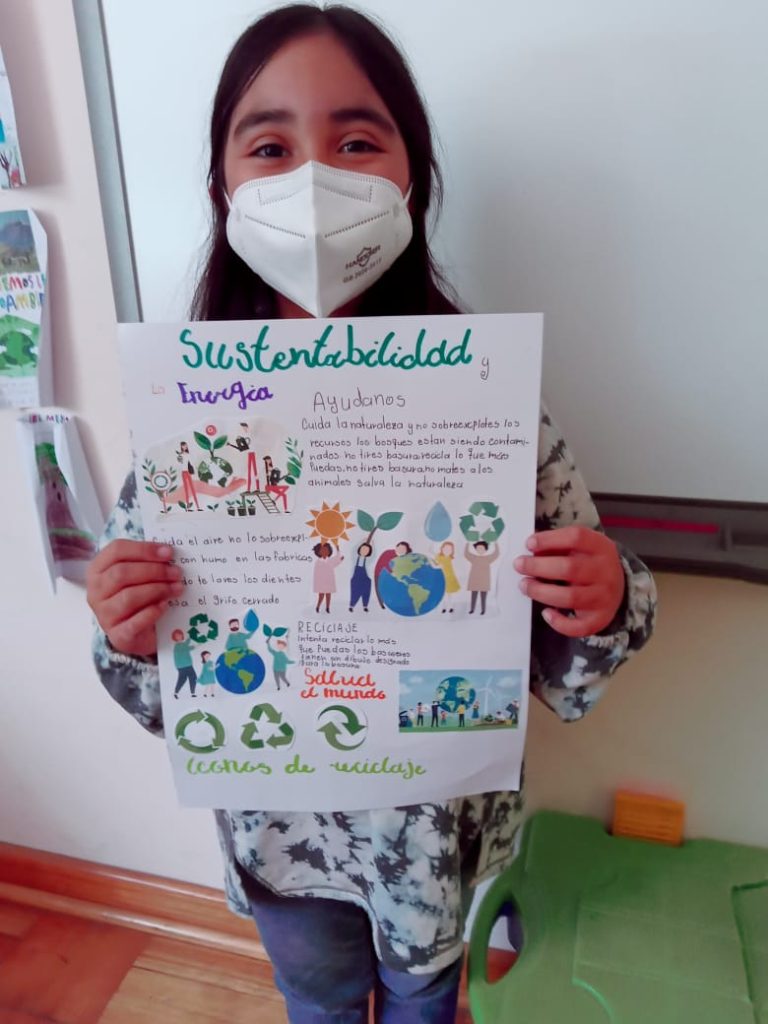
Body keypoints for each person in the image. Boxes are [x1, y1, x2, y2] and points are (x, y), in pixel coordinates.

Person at [86, 7, 656, 1022]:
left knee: (424, 999)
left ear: (411, 179)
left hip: (435, 832)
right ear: (222, 189)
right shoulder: (192, 415)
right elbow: (159, 682)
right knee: (316, 1001)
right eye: (270, 147)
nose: (313, 180)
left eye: (356, 141)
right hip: (280, 837)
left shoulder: (489, 403)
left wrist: (601, 595)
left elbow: (572, 642)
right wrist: (127, 622)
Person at [465, 540, 500, 615]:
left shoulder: (488, 558)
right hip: (474, 580)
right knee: (473, 596)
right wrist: (467, 543)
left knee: (483, 597)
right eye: (478, 548)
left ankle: (483, 610)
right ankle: (472, 609)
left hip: (484, 581)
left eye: (482, 548)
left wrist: (496, 543)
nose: (480, 550)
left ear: (485, 549)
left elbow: (496, 554)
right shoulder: (474, 558)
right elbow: (466, 554)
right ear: (476, 549)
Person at [312, 541, 344, 613]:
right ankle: (318, 606)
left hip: (329, 581)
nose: (324, 552)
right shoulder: (318, 562)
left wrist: (338, 550)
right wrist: (318, 584)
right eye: (322, 550)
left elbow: (336, 561)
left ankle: (327, 608)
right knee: (321, 595)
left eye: (326, 550)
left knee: (328, 595)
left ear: (329, 551)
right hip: (321, 582)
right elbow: (316, 575)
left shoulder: (330, 560)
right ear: (318, 552)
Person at [433, 540, 460, 613]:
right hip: (442, 578)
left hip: (450, 578)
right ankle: (443, 607)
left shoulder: (451, 558)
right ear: (442, 548)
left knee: (450, 594)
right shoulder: (439, 557)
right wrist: (438, 566)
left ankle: (450, 607)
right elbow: (435, 565)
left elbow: (455, 567)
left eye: (450, 549)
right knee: (443, 594)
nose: (447, 550)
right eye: (445, 548)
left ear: (452, 551)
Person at [171, 628, 197, 698]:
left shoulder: (182, 644)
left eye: (180, 635)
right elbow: (186, 647)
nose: (179, 636)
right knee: (185, 679)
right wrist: (195, 646)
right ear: (175, 638)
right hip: (184, 666)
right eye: (177, 636)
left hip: (186, 665)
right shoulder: (177, 646)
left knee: (190, 678)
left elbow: (186, 643)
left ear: (182, 635)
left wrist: (191, 636)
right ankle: (176, 692)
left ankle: (192, 693)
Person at [348, 541, 373, 612]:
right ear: (359, 549)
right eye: (363, 549)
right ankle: (351, 606)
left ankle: (365, 606)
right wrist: (362, 541)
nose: (364, 551)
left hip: (365, 579)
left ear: (369, 552)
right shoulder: (355, 558)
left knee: (366, 593)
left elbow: (374, 555)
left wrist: (372, 544)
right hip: (356, 579)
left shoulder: (368, 560)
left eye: (367, 550)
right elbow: (353, 550)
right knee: (354, 593)